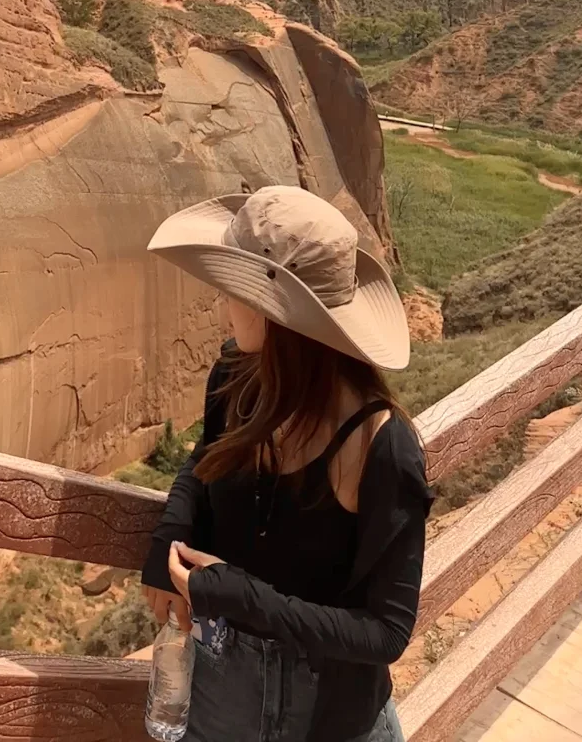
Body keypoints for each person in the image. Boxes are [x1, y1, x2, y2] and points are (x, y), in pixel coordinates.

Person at [140, 185, 430, 742]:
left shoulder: (380, 446)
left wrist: (241, 596)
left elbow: (387, 632)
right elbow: (205, 463)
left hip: (329, 722)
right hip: (221, 701)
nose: (222, 305)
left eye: (233, 291)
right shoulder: (236, 378)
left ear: (275, 314)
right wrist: (169, 533)